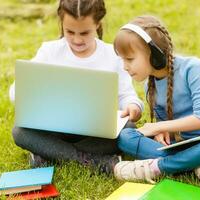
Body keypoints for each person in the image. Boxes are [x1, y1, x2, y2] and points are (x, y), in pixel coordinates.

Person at [9, 0, 144, 174]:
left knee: (129, 130)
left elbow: (128, 96)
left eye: (85, 32)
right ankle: (94, 161)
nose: (77, 39)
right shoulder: (49, 52)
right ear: (61, 24)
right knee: (20, 131)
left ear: (98, 24)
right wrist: (26, 91)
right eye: (70, 32)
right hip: (55, 127)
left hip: (97, 132)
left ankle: (49, 154)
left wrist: (134, 107)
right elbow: (16, 92)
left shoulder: (113, 55)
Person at [112, 15, 200, 185]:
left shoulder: (193, 68)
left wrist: (158, 126)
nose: (125, 66)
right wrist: (160, 133)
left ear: (154, 55)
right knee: (125, 136)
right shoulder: (150, 86)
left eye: (129, 59)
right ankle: (198, 164)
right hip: (185, 145)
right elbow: (167, 131)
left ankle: (156, 167)